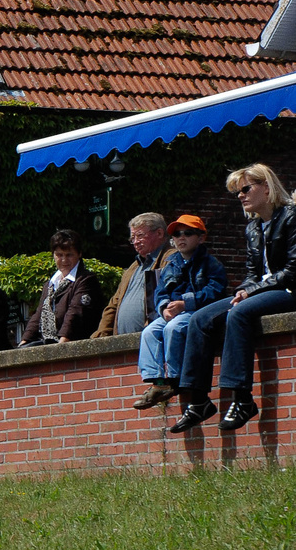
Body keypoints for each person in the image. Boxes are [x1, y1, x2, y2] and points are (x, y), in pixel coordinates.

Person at [170, 163, 296, 433]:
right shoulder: (252, 228)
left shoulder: (291, 217)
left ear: (266, 187)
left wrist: (251, 291)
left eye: (246, 189)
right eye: (238, 192)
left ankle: (242, 398)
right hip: (264, 290)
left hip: (289, 291)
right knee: (200, 318)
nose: (240, 195)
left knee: (238, 313)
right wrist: (245, 289)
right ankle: (199, 400)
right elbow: (253, 274)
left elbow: (292, 271)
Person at [134, 215, 227, 410]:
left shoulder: (210, 263)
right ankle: (158, 382)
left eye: (188, 233)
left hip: (194, 311)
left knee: (174, 328)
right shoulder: (172, 263)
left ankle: (175, 379)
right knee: (150, 332)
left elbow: (216, 291)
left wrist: (185, 303)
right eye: (176, 234)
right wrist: (164, 308)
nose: (181, 238)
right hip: (173, 311)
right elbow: (160, 291)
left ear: (201, 238)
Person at [95, 213, 173, 339]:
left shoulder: (171, 259)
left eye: (140, 236)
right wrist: (101, 336)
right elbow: (114, 304)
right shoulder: (133, 267)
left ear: (159, 233)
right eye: (132, 238)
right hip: (123, 346)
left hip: (153, 340)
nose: (136, 242)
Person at [22, 229, 103, 346]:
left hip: (74, 345)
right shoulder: (50, 283)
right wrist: (24, 342)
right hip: (48, 342)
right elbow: (38, 315)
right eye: (59, 255)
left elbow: (75, 313)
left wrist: (62, 344)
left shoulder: (86, 280)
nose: (64, 260)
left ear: (79, 254)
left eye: (69, 255)